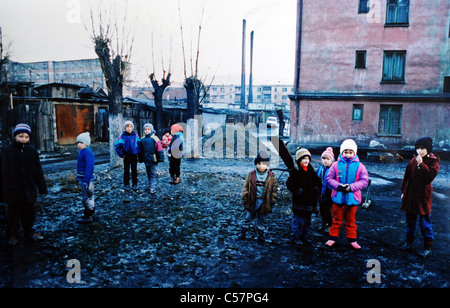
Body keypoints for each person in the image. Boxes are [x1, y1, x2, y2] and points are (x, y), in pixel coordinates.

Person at [0, 124, 47, 246]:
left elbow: (38, 171)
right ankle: (13, 235)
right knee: (12, 215)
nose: (23, 139)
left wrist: (42, 188)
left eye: (26, 137)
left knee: (29, 213)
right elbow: (2, 172)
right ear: (15, 136)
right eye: (20, 136)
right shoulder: (7, 151)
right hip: (12, 190)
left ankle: (29, 232)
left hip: (28, 190)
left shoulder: (32, 151)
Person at [400, 137, 440, 257]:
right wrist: (403, 191)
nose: (419, 151)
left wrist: (421, 164)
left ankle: (427, 246)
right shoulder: (413, 160)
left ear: (428, 149)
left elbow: (429, 177)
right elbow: (407, 177)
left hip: (423, 196)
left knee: (424, 222)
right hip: (411, 195)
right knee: (410, 221)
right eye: (417, 148)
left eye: (422, 148)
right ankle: (409, 243)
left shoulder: (433, 161)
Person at [325, 139, 369, 249]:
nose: (348, 155)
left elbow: (364, 181)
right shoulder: (335, 165)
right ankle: (332, 237)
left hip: (352, 198)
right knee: (336, 219)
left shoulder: (360, 166)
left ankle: (352, 240)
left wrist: (351, 187)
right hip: (337, 197)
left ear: (354, 153)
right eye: (345, 152)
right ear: (341, 152)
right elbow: (329, 178)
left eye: (350, 152)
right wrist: (338, 186)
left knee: (351, 221)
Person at [240, 151, 278, 242]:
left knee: (262, 219)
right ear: (256, 164)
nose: (261, 166)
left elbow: (274, 190)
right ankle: (243, 232)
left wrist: (272, 201)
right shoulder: (251, 175)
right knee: (248, 217)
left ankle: (261, 234)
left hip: (265, 202)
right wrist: (245, 199)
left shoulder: (271, 177)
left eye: (264, 164)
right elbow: (245, 188)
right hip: (253, 200)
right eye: (259, 164)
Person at [286, 148, 322, 246]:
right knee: (298, 222)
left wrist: (316, 189)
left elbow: (318, 182)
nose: (306, 161)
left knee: (307, 223)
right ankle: (295, 237)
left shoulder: (311, 171)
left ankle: (304, 237)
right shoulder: (296, 171)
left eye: (307, 158)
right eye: (303, 159)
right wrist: (297, 191)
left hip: (310, 202)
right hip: (299, 202)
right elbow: (289, 183)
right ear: (299, 160)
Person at [114, 121, 141, 191]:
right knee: (126, 170)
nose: (129, 128)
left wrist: (138, 153)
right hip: (126, 156)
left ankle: (135, 184)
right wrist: (122, 154)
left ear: (132, 128)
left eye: (130, 127)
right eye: (127, 127)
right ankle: (126, 184)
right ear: (125, 128)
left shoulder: (136, 136)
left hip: (134, 155)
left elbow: (140, 145)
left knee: (134, 170)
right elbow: (116, 145)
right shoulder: (122, 137)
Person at [76, 132, 96, 223]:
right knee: (86, 196)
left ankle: (89, 214)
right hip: (83, 179)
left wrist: (86, 179)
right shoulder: (82, 151)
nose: (79, 144)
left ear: (86, 143)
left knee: (87, 197)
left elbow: (89, 167)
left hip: (87, 180)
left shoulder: (87, 152)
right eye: (78, 142)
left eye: (81, 143)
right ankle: (88, 213)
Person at [139, 123, 164, 194]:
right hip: (146, 160)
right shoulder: (142, 139)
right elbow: (141, 151)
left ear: (151, 130)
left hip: (153, 159)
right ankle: (150, 184)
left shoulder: (155, 138)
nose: (147, 131)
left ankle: (153, 187)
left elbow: (160, 149)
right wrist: (140, 159)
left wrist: (160, 158)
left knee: (153, 173)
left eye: (148, 129)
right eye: (145, 129)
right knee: (148, 172)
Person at [317, 147, 335, 234]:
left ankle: (330, 226)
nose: (325, 161)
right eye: (323, 158)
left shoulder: (333, 170)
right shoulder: (320, 169)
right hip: (321, 193)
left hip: (329, 193)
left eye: (328, 159)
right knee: (322, 210)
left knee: (329, 211)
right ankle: (324, 224)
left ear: (332, 160)